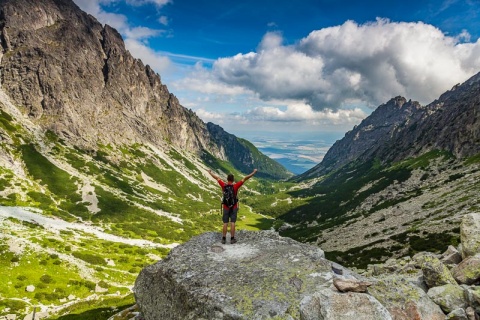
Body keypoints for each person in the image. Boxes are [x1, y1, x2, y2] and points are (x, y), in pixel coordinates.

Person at [207, 169, 258, 244]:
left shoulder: (223, 185)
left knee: (225, 223)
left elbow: (217, 178)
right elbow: (245, 178)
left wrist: (210, 172)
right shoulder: (235, 186)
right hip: (234, 207)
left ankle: (223, 239)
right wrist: (253, 173)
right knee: (232, 222)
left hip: (225, 207)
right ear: (233, 180)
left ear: (227, 179)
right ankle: (232, 238)